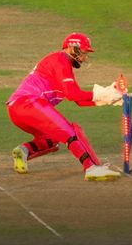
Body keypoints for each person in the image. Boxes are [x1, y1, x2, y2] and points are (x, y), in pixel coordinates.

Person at [7, 32, 124, 181]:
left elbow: (79, 100)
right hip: (29, 103)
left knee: (52, 139)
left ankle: (24, 150)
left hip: (16, 109)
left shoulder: (61, 64)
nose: (84, 57)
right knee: (70, 131)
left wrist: (109, 99)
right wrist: (105, 94)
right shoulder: (60, 60)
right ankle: (92, 168)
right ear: (72, 48)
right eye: (83, 52)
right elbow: (72, 94)